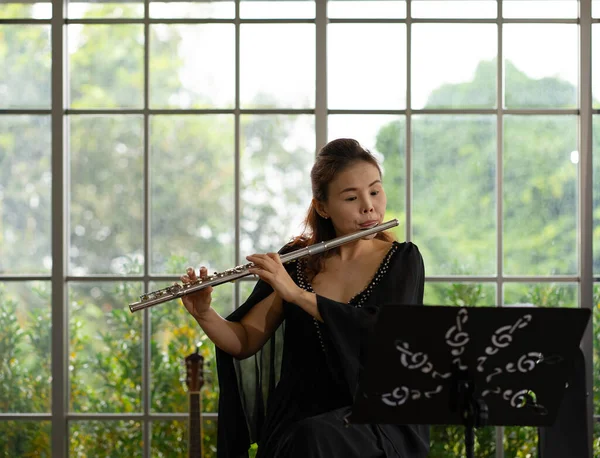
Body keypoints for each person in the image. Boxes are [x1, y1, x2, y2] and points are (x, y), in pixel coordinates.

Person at [180, 138, 430, 457]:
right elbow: (244, 341)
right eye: (351, 197)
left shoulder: (403, 260)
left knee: (316, 437)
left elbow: (381, 332)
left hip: (376, 420)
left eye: (375, 191)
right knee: (307, 435)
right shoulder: (295, 261)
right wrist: (204, 314)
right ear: (323, 206)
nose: (368, 205)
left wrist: (296, 295)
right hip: (299, 419)